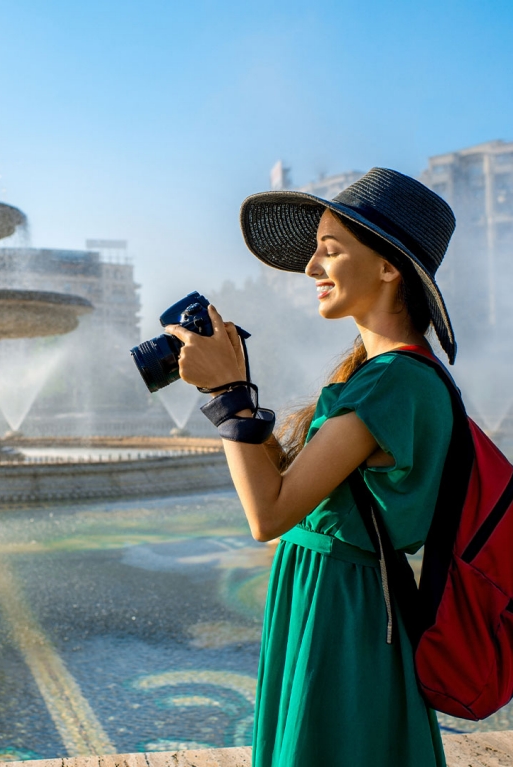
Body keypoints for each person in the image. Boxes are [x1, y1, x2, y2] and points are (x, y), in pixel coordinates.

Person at [165, 168, 457, 766]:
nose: (310, 269)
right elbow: (289, 487)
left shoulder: (395, 381)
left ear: (387, 267)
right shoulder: (378, 376)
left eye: (330, 251)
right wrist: (236, 387)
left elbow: (267, 513)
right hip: (330, 596)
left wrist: (228, 395)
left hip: (344, 611)